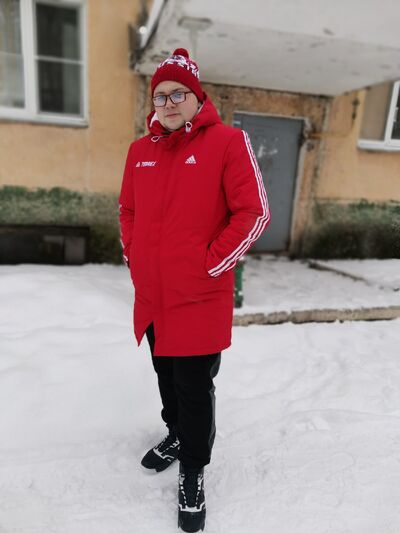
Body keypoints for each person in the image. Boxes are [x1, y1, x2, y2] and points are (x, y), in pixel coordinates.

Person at [118, 48, 270, 532]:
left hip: (198, 297)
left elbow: (254, 212)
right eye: (160, 95)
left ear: (197, 97)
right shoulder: (140, 152)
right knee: (165, 375)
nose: (168, 103)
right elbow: (128, 211)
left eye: (177, 93)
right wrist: (135, 257)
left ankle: (193, 468)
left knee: (194, 386)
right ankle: (175, 433)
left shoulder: (227, 142)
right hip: (154, 296)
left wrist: (210, 265)